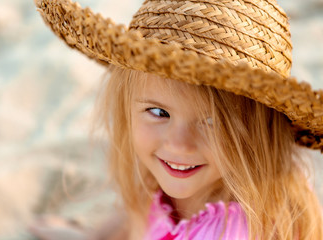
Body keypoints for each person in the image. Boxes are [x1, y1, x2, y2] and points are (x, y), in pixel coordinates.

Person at [32, 0, 323, 239]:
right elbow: (139, 212)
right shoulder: (192, 178)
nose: (180, 144)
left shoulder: (241, 231)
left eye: (213, 122)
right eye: (159, 113)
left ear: (260, 130)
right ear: (127, 107)